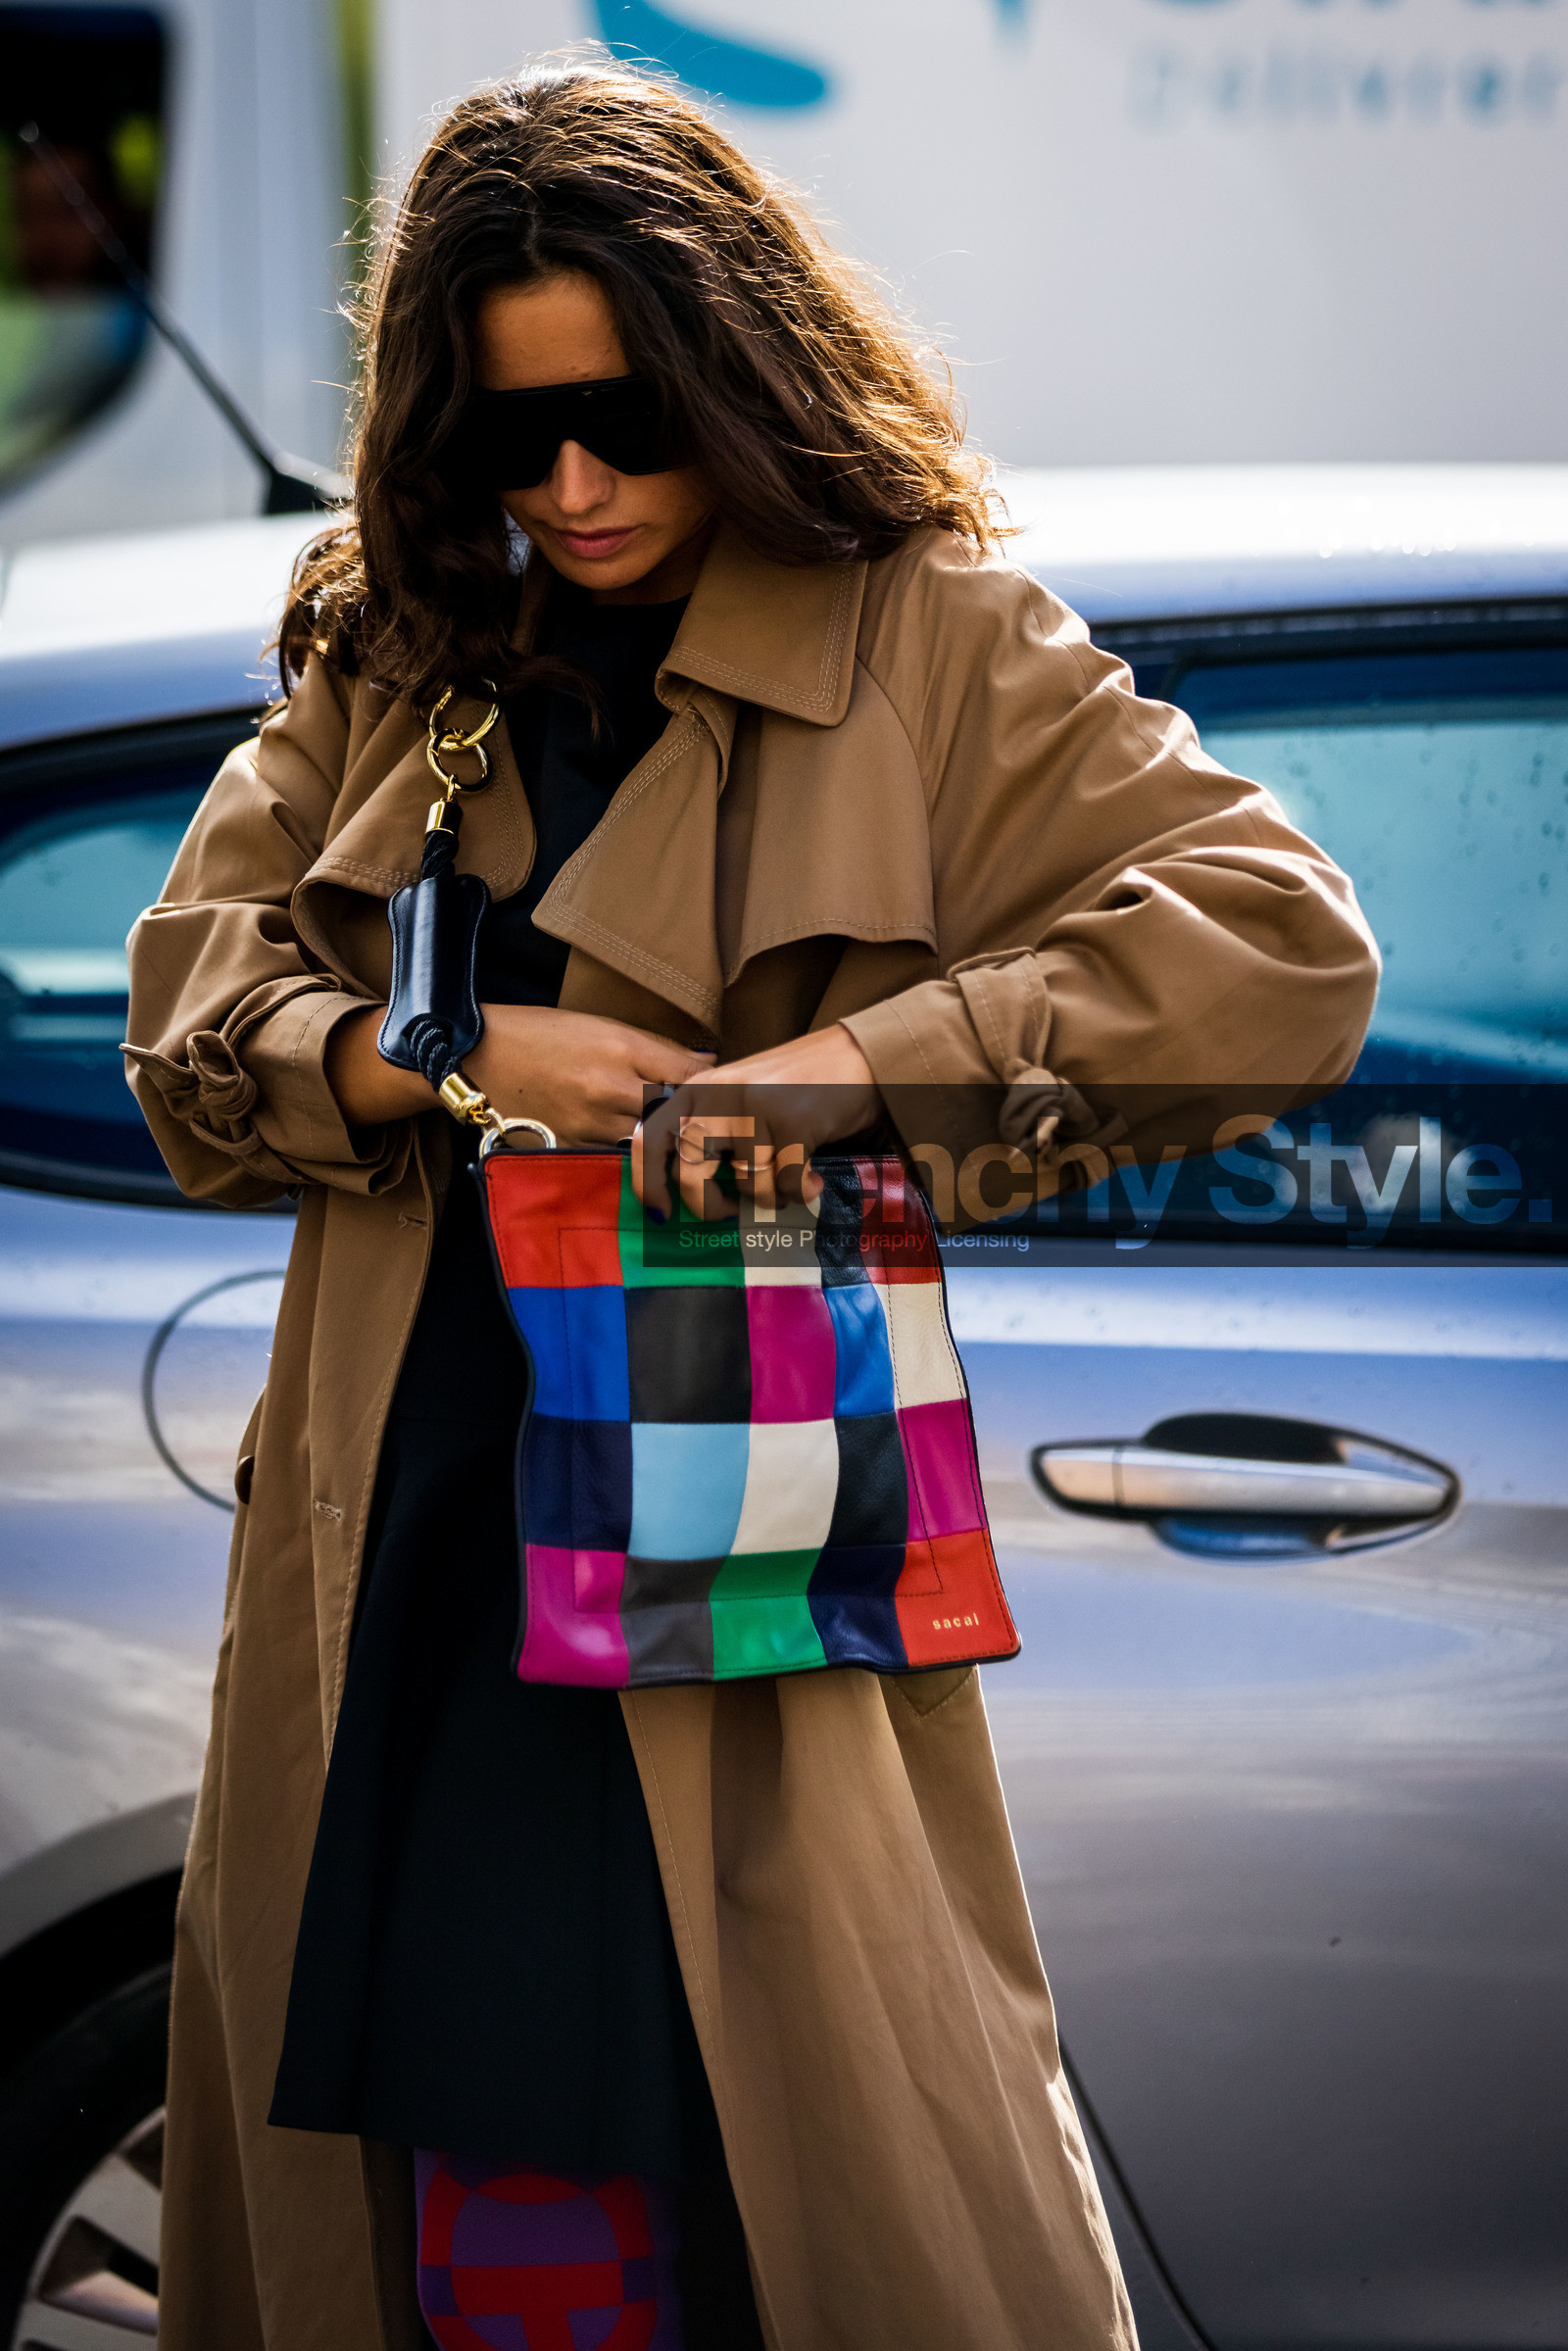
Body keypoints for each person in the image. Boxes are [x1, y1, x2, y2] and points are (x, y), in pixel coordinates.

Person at [124, 63, 1378, 2351]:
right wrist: (430, 1050)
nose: (573, 489)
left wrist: (845, 1079)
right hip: (410, 1564)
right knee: (462, 2244)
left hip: (742, 1563)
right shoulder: (398, 655)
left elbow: (1274, 948)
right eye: (508, 442)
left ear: (734, 368)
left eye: (620, 417)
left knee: (806, 2202)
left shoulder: (927, 640)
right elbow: (191, 1008)